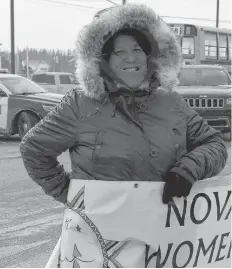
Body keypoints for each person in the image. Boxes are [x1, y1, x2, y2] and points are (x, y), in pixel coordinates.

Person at [20, 1, 227, 247]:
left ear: (151, 54)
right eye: (119, 51)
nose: (131, 58)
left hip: (166, 241)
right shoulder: (80, 104)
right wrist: (71, 193)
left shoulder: (171, 102)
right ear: (102, 59)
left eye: (138, 49)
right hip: (101, 243)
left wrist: (188, 170)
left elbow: (213, 143)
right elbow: (34, 149)